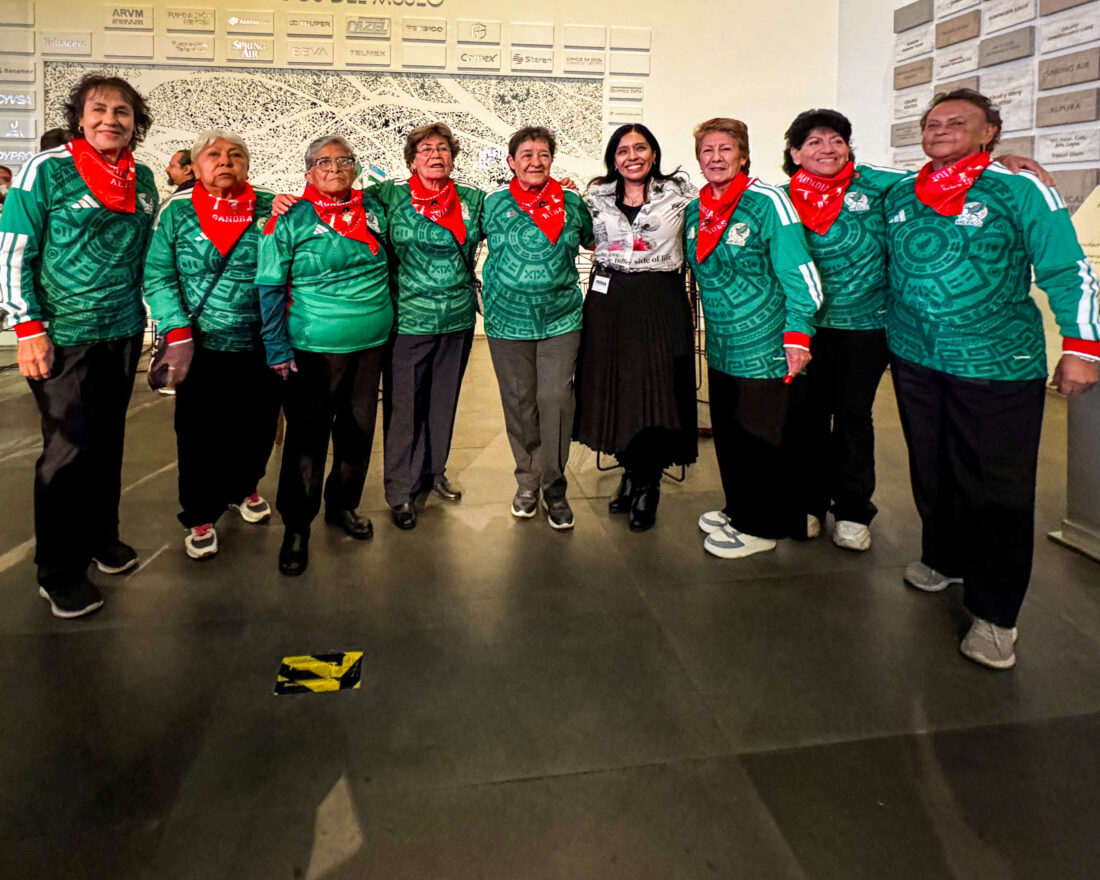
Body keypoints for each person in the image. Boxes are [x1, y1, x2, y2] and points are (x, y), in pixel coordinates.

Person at [884, 88, 1100, 670]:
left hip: (996, 364)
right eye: (933, 123)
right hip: (915, 356)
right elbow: (838, 176)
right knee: (932, 467)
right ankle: (944, 557)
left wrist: (1083, 347)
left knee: (996, 487)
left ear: (989, 134)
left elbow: (1065, 265)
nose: (941, 129)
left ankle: (996, 613)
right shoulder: (902, 190)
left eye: (959, 122)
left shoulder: (1020, 187)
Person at [0, 73, 158, 618]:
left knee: (108, 441)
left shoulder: (144, 180)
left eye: (123, 111)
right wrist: (27, 328)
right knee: (67, 450)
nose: (110, 119)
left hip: (119, 332)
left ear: (136, 123)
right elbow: (14, 250)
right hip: (61, 337)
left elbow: (142, 259)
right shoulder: (48, 169)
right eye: (99, 109)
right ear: (80, 116)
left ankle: (99, 538)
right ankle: (57, 569)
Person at [684, 118, 823, 559]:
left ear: (743, 155)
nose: (716, 158)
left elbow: (801, 274)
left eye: (726, 149)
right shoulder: (696, 210)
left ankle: (762, 527)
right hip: (722, 344)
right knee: (730, 434)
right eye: (708, 151)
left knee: (761, 437)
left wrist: (798, 335)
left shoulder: (768, 202)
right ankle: (740, 508)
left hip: (765, 346)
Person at [257, 135, 392, 576]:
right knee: (306, 441)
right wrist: (276, 346)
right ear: (308, 172)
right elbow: (271, 286)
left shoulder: (376, 210)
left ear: (356, 168)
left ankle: (342, 505)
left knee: (357, 432)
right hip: (311, 351)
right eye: (323, 161)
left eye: (343, 160)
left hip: (369, 346)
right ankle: (297, 526)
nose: (334, 167)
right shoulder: (290, 218)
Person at [143, 129, 281, 560]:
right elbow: (157, 274)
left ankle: (244, 487)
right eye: (214, 155)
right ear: (197, 165)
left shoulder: (270, 205)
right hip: (198, 344)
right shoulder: (177, 211)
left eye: (236, 155)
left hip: (261, 342)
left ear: (248, 165)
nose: (226, 161)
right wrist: (175, 328)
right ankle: (201, 513)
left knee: (257, 424)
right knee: (200, 432)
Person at [781, 111, 908, 552]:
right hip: (805, 327)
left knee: (854, 416)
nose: (827, 149)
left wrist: (998, 162)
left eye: (836, 140)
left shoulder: (878, 185)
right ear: (795, 153)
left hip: (865, 326)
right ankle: (809, 503)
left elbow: (939, 179)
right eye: (813, 142)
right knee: (806, 417)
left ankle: (853, 510)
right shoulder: (782, 198)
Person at [574, 123, 698, 531]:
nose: (632, 156)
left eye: (640, 148)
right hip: (609, 301)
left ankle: (648, 484)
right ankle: (630, 471)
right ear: (613, 159)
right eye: (623, 150)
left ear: (654, 154)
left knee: (656, 388)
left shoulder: (680, 195)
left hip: (658, 298)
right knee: (617, 386)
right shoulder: (596, 196)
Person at [372, 122, 485, 530]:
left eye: (442, 148)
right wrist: (279, 204)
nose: (435, 154)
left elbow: (516, 216)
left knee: (443, 401)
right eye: (425, 149)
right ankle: (400, 489)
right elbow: (338, 202)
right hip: (409, 320)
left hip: (457, 318)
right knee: (404, 407)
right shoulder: (388, 196)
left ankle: (433, 472)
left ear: (452, 157)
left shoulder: (472, 199)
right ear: (412, 158)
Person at [481, 126, 594, 529]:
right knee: (519, 403)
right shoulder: (491, 204)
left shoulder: (572, 203)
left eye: (543, 154)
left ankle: (555, 486)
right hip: (506, 322)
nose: (534, 161)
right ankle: (527, 481)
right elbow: (457, 239)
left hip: (560, 319)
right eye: (525, 154)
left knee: (556, 401)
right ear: (511, 162)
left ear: (552, 160)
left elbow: (597, 241)